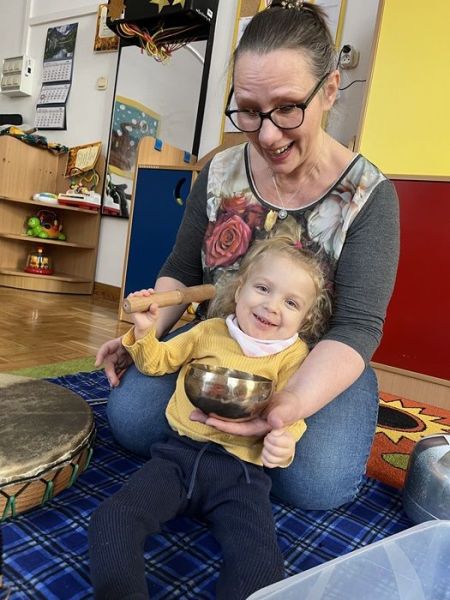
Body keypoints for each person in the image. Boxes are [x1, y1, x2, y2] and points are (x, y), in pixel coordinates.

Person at [96, 0, 400, 510]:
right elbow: (182, 272)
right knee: (131, 419)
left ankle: (225, 455)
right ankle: (231, 461)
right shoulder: (220, 172)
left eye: (287, 108)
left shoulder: (369, 196)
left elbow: (357, 327)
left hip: (306, 363)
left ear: (329, 89)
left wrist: (288, 406)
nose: (267, 135)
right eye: (249, 111)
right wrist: (145, 334)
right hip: (219, 344)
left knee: (316, 483)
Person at [88, 225, 331, 599]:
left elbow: (291, 415)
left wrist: (283, 441)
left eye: (291, 303)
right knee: (113, 518)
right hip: (176, 456)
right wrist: (145, 332)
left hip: (242, 474)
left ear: (306, 319)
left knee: (260, 562)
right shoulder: (209, 330)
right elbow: (156, 363)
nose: (272, 306)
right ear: (239, 289)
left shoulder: (294, 355)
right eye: (263, 288)